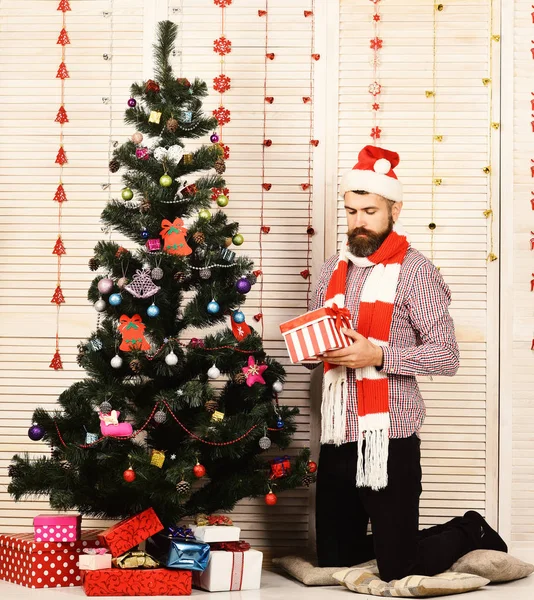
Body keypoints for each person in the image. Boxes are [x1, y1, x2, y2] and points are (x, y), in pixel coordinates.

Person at [307, 145, 507, 582]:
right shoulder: (330, 272)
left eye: (370, 210)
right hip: (338, 433)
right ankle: (396, 539)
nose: (359, 221)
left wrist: (378, 354)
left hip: (389, 438)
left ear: (394, 208)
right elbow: (320, 351)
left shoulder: (418, 272)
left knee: (400, 568)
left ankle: (467, 528)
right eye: (351, 210)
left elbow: (446, 355)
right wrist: (311, 350)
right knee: (334, 562)